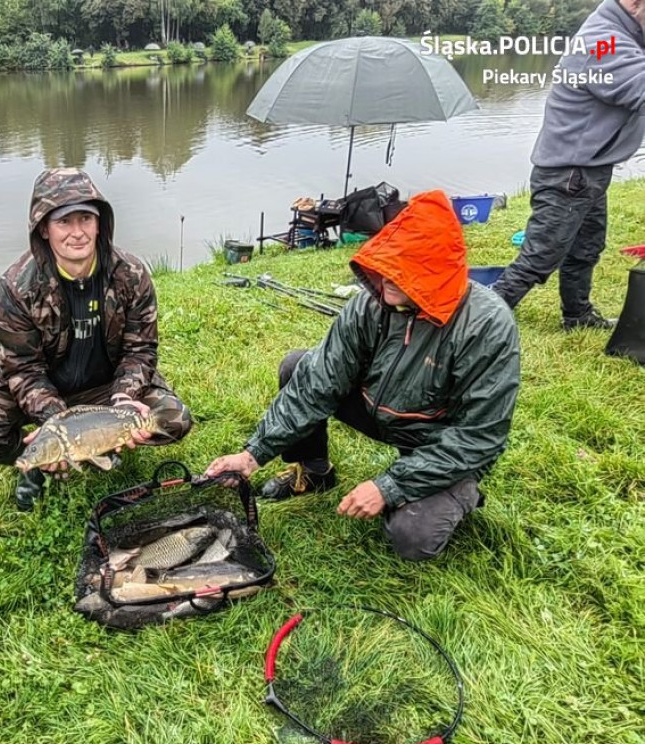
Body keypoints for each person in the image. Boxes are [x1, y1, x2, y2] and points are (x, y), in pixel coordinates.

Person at [205, 190, 521, 561]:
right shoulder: (369, 306)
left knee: (413, 538)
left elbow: (480, 438)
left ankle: (459, 491)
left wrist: (389, 487)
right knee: (298, 367)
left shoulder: (488, 327)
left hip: (438, 438)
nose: (384, 277)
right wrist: (252, 455)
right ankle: (315, 472)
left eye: (400, 271)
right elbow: (315, 384)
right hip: (376, 409)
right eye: (386, 263)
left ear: (432, 276)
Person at [0, 167, 193, 509]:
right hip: (39, 386)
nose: (77, 233)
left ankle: (100, 445)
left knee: (174, 418)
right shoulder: (14, 287)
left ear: (100, 224)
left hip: (106, 386)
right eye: (64, 222)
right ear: (44, 229)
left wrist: (124, 401)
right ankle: (33, 460)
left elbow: (140, 351)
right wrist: (55, 424)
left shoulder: (132, 274)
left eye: (85, 219)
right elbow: (22, 369)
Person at [492, 0, 645, 330]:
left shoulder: (616, 32)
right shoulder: (604, 43)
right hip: (569, 174)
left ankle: (577, 315)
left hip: (587, 168)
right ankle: (482, 317)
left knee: (587, 246)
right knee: (539, 256)